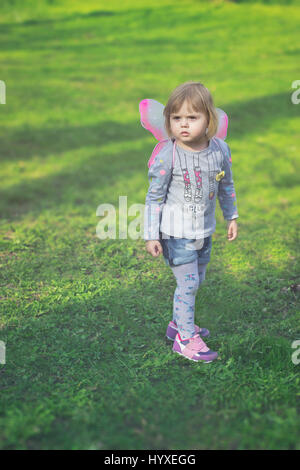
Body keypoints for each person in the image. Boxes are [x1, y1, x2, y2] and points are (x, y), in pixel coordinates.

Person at [143, 81, 239, 363]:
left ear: (209, 119)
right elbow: (154, 198)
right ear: (168, 120)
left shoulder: (219, 150)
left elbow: (227, 186)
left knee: (198, 279)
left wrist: (231, 215)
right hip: (175, 233)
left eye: (192, 117)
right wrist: (152, 235)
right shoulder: (168, 154)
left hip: (204, 231)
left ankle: (177, 326)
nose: (183, 125)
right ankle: (185, 340)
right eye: (176, 118)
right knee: (188, 285)